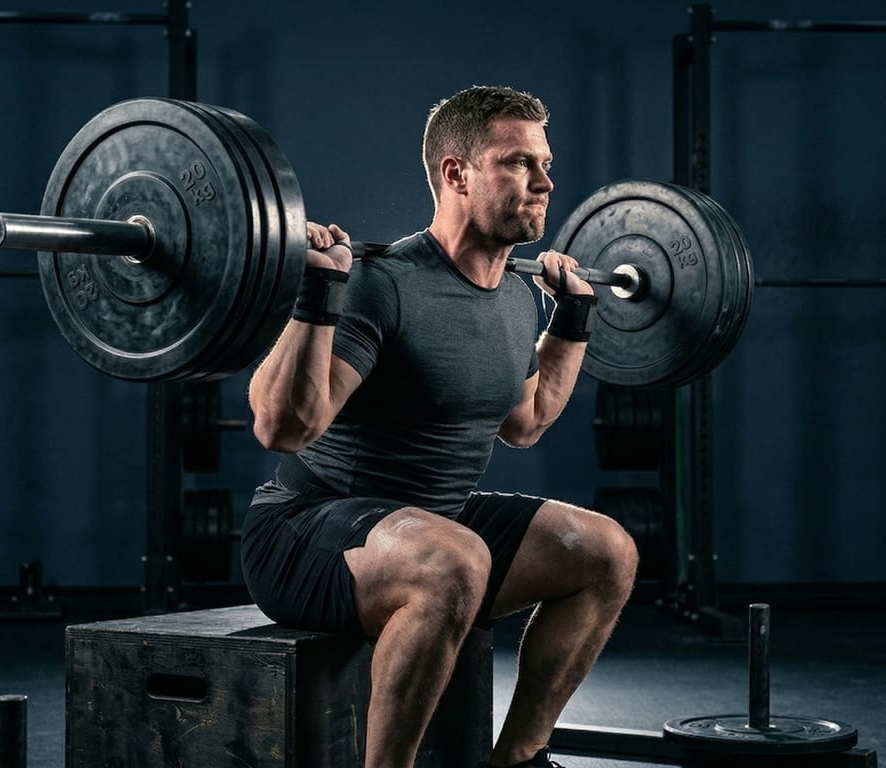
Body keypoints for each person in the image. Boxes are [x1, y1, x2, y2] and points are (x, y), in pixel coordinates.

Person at [242, 85, 638, 768]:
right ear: (456, 173)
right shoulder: (380, 283)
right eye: (518, 163)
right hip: (305, 533)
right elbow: (283, 428)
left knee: (606, 551)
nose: (545, 182)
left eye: (545, 164)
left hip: (434, 526)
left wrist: (571, 320)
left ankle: (518, 758)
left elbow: (527, 421)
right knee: (454, 559)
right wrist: (318, 291)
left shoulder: (517, 298)